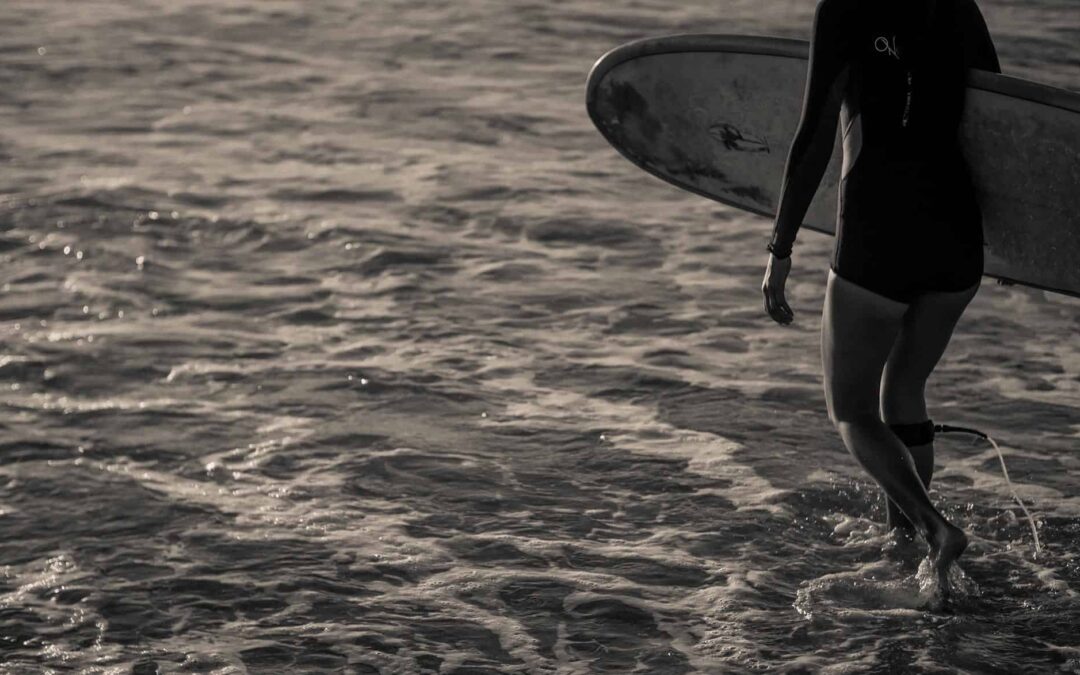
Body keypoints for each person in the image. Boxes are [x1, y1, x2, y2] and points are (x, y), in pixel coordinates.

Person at [760, 0, 1001, 598]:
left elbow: (814, 134)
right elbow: (1005, 119)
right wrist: (1016, 251)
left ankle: (936, 529)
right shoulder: (958, 6)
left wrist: (780, 247)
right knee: (904, 391)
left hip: (879, 231)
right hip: (957, 235)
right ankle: (908, 553)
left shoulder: (843, 8)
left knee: (852, 411)